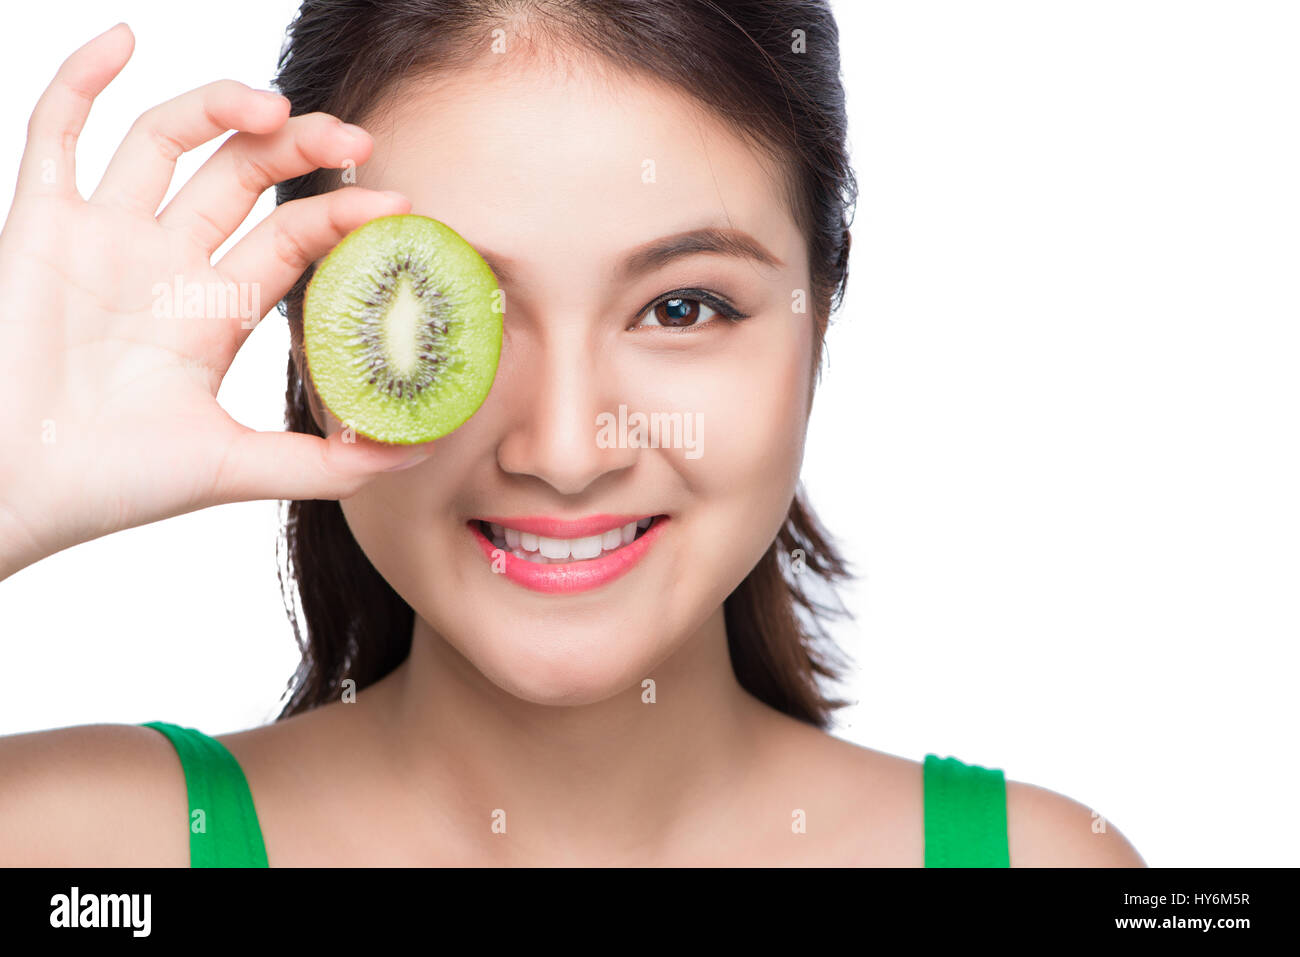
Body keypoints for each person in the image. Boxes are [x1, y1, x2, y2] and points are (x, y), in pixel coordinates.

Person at [0, 2, 1145, 867]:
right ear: (309, 332)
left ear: (818, 316)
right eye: (449, 308)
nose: (562, 445)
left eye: (682, 307)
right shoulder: (87, 852)